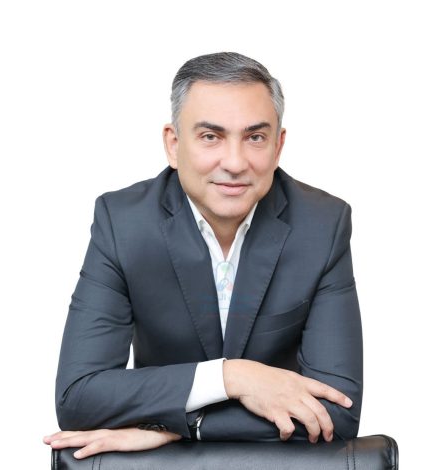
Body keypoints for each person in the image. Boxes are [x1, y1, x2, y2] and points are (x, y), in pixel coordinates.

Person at [43, 52, 363, 460]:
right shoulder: (124, 224)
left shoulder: (322, 225)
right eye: (211, 137)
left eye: (255, 137)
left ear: (278, 146)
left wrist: (177, 426)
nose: (235, 163)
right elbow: (78, 397)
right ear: (173, 145)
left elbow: (338, 411)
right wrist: (233, 377)